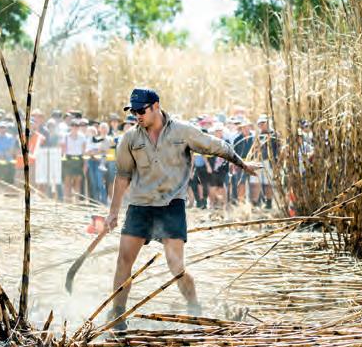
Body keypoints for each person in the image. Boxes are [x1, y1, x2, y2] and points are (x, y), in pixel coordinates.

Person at [104, 88, 262, 330]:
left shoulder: (182, 131)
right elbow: (123, 175)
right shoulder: (130, 139)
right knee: (123, 260)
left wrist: (242, 164)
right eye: (133, 111)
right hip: (140, 205)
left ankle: (194, 307)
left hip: (171, 205)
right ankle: (117, 315)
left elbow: (216, 146)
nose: (137, 115)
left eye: (141, 110)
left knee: (176, 266)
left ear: (156, 106)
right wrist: (113, 212)